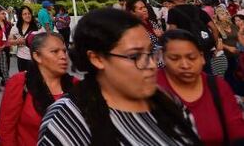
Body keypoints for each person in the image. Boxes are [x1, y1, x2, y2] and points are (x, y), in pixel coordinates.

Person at [37, 8, 200, 145]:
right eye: (135, 56)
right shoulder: (67, 120)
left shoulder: (168, 103)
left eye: (151, 53)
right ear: (97, 59)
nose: (151, 64)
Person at [158, 29, 244, 146]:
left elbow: (236, 132)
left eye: (192, 57)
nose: (185, 65)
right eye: (174, 58)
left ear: (202, 57)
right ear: (162, 58)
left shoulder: (217, 86)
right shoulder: (152, 87)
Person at [0, 32, 73, 146]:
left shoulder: (76, 85)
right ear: (37, 56)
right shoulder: (20, 83)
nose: (63, 56)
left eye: (64, 51)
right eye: (55, 51)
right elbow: (6, 128)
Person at [167, 0, 217, 65]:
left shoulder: (173, 11)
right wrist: (215, 45)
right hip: (204, 47)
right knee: (207, 73)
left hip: (186, 49)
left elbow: (173, 31)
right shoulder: (198, 9)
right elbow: (214, 28)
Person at [9, 5, 39, 72]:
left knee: (34, 80)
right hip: (21, 58)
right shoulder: (16, 27)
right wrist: (17, 41)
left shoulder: (37, 26)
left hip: (34, 58)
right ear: (21, 16)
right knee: (23, 79)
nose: (27, 15)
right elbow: (10, 41)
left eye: (29, 13)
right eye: (24, 14)